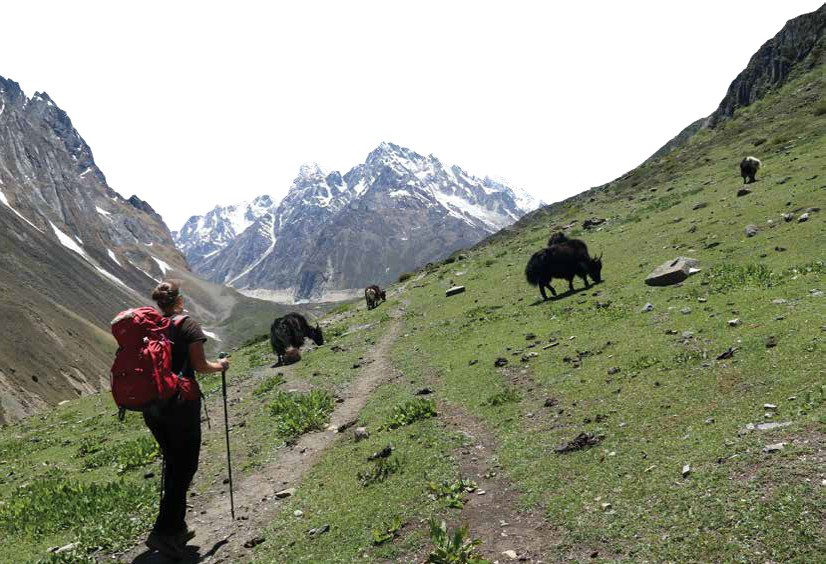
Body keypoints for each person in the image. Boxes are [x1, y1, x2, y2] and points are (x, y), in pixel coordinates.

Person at [144, 279, 230, 558]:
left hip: (153, 407)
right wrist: (222, 366)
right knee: (185, 467)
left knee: (173, 463)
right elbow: (200, 366)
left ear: (160, 303)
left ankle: (176, 528)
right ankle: (162, 532)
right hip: (181, 405)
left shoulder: (152, 327)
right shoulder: (187, 325)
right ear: (179, 299)